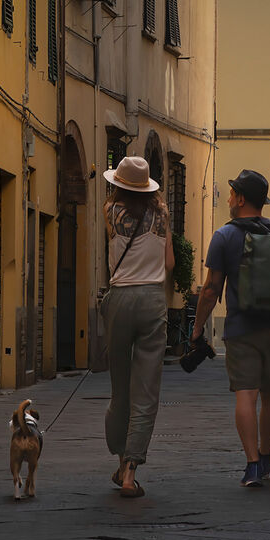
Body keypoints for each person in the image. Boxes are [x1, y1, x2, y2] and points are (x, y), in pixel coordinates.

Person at [191, 169, 270, 487]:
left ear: (241, 199)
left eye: (232, 193)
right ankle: (265, 453)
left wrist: (197, 328)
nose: (229, 198)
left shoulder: (224, 236)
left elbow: (210, 289)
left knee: (245, 395)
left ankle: (251, 465)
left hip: (242, 327)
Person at [102, 155, 175, 498]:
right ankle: (130, 472)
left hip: (119, 299)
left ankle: (119, 461)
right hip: (151, 300)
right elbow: (170, 261)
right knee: (145, 392)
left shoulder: (109, 212)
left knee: (121, 388)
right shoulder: (161, 215)